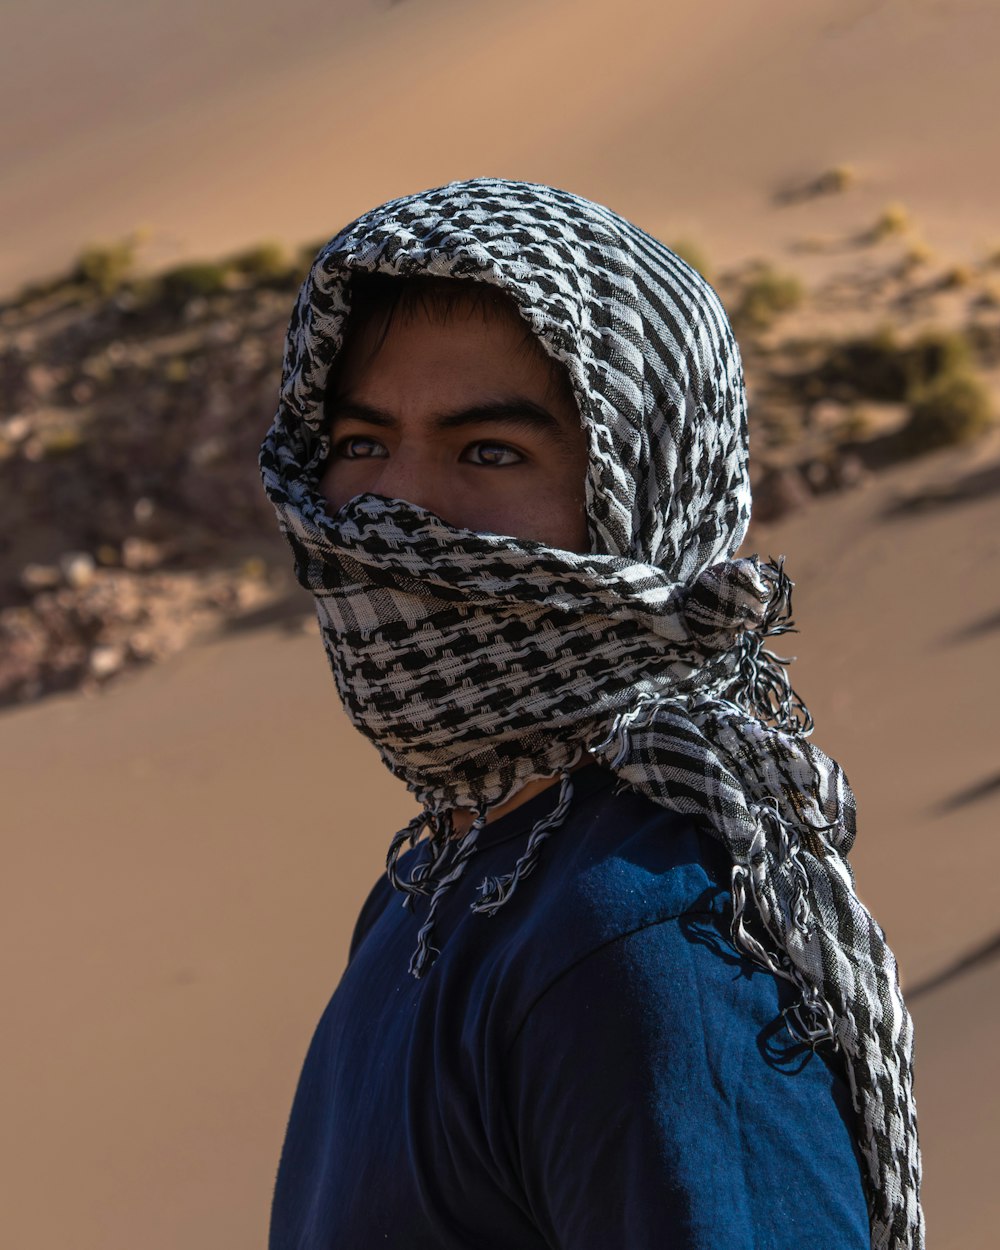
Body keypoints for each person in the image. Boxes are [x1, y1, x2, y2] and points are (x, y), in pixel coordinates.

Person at [260, 179, 923, 1250]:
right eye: (360, 444)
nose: (392, 511)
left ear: (644, 500)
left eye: (488, 452)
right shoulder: (432, 885)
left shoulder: (644, 948)